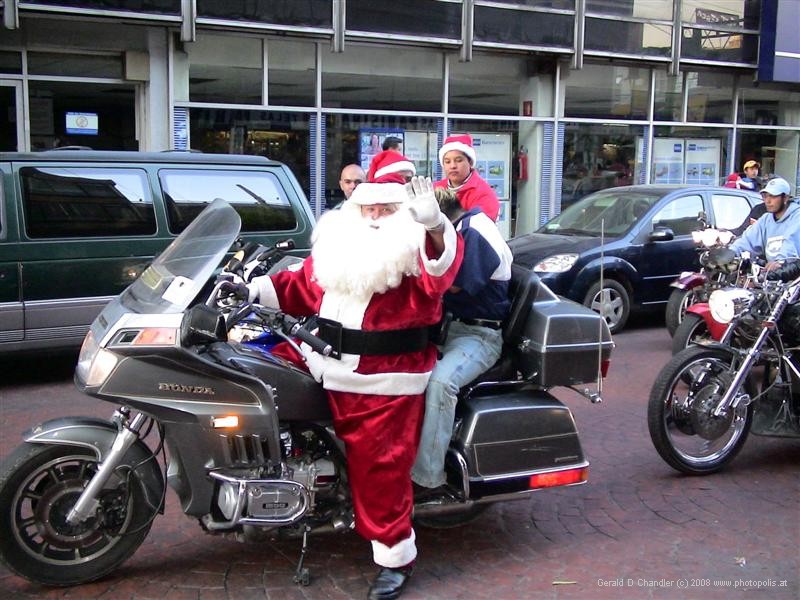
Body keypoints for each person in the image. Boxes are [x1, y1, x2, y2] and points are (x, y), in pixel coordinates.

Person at [245, 176, 463, 600]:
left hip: (382, 377)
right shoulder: (341, 245)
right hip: (321, 357)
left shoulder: (412, 249)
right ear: (355, 209)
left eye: (386, 209)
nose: (376, 217)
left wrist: (435, 227)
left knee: (378, 468)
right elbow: (303, 285)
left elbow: (441, 272)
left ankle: (394, 557)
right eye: (369, 209)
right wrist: (251, 288)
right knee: (250, 377)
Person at [411, 186, 512, 496]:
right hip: (453, 329)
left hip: (479, 335)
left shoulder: (476, 229)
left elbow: (452, 285)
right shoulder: (462, 228)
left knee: (441, 383)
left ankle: (427, 479)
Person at [730, 177, 800, 266]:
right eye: (765, 196)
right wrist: (731, 253)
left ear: (785, 198)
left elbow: (791, 243)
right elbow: (747, 240)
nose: (768, 201)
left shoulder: (796, 217)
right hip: (770, 274)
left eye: (773, 196)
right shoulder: (766, 219)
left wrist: (780, 261)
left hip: (793, 274)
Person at [434, 134, 500, 222]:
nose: (452, 166)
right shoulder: (435, 188)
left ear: (470, 162)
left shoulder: (483, 193)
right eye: (447, 161)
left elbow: (479, 231)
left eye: (459, 160)